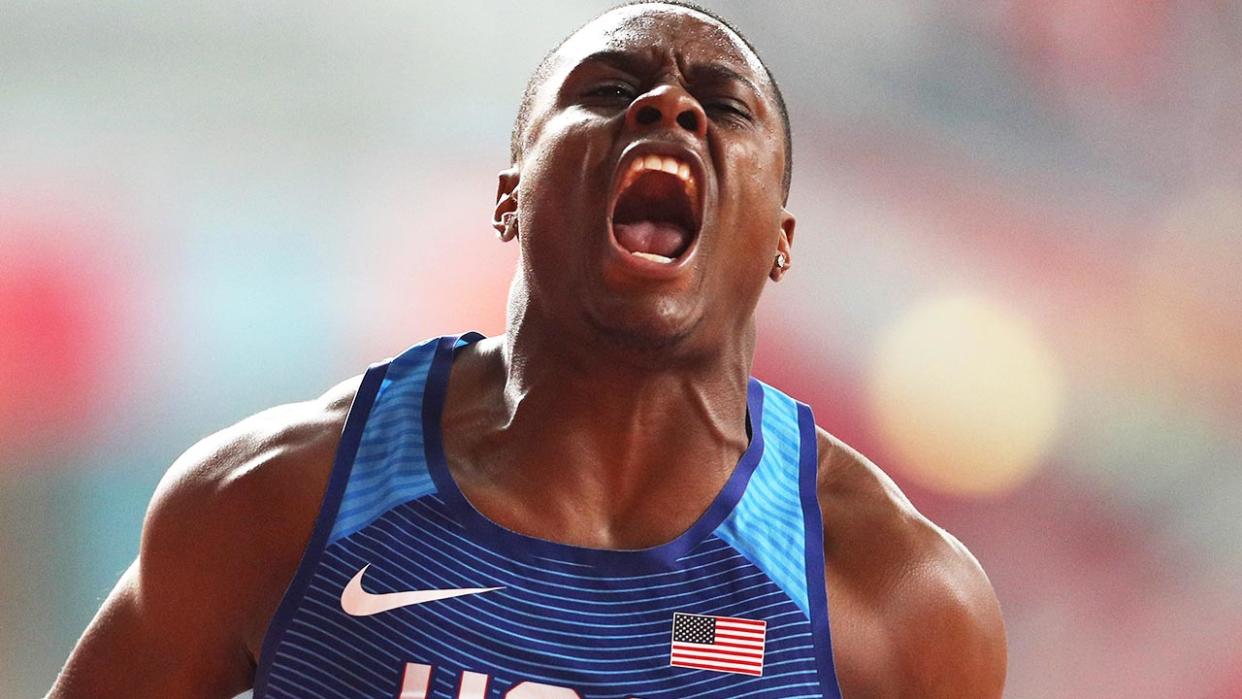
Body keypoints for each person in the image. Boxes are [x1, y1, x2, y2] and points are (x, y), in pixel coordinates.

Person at [48, 2, 1007, 697]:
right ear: (509, 195)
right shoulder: (275, 498)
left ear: (782, 239)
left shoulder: (896, 598)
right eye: (610, 91)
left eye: (722, 103)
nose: (668, 108)